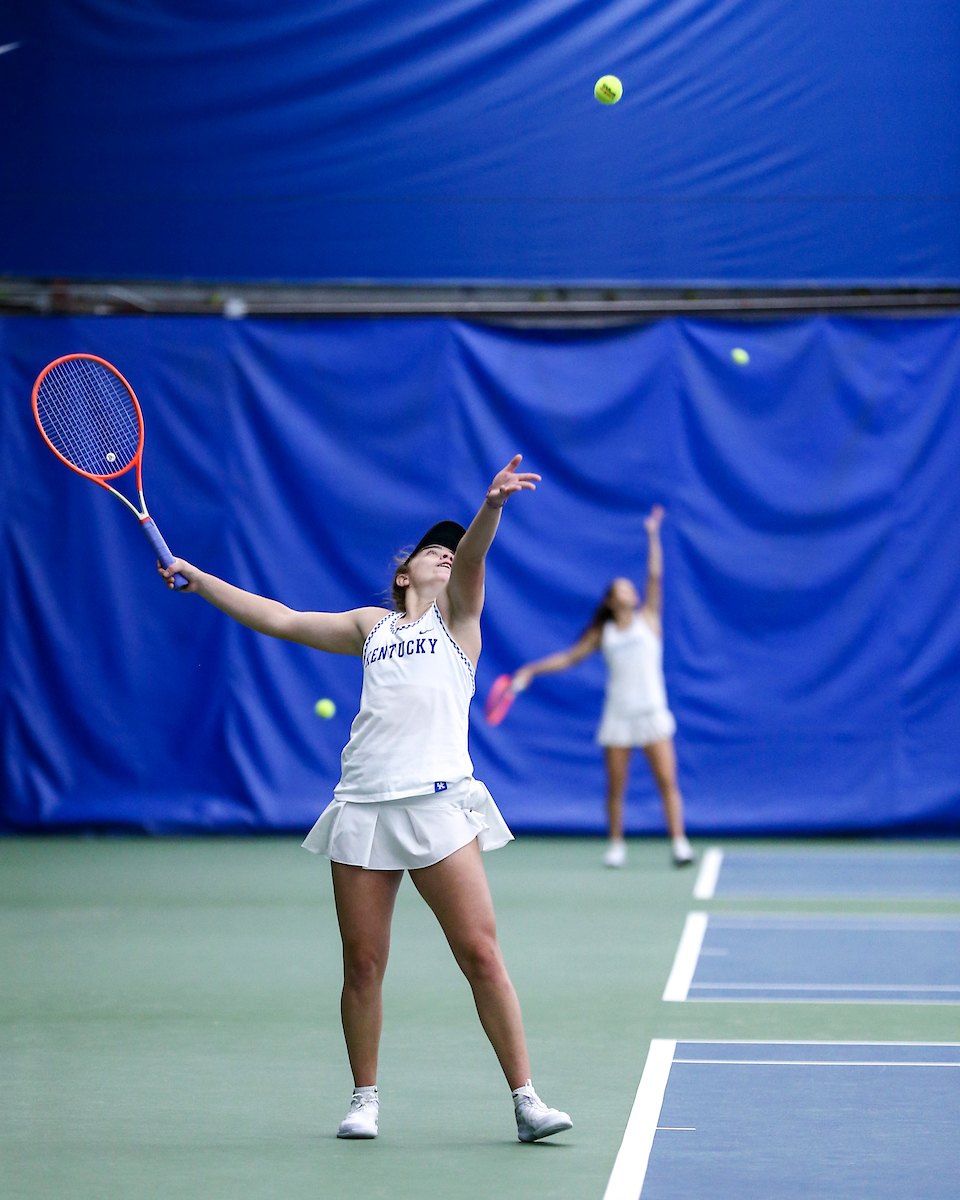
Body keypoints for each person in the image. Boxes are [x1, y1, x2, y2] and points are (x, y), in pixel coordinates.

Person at [159, 455, 572, 1144]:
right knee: (363, 964)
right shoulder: (369, 627)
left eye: (453, 552)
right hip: (363, 808)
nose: (448, 556)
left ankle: (527, 1101)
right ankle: (364, 1100)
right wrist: (200, 580)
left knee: (480, 953)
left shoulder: (459, 623)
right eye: (433, 551)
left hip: (439, 808)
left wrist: (492, 506)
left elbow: (474, 558)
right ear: (404, 574)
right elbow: (281, 619)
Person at [510, 505, 694, 869]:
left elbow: (655, 575)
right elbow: (568, 658)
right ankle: (616, 845)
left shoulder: (649, 619)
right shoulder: (603, 633)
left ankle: (679, 843)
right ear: (611, 600)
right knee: (616, 786)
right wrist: (531, 670)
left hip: (652, 712)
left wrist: (653, 534)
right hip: (618, 716)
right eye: (621, 588)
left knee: (666, 781)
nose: (629, 591)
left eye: (630, 587)